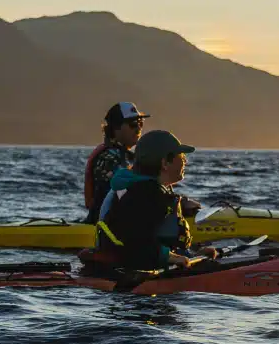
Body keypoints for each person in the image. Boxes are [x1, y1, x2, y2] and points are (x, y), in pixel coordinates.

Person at [91, 129, 219, 270]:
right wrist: (170, 257)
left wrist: (192, 254)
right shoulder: (146, 195)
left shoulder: (145, 189)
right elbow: (135, 241)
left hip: (136, 266)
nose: (185, 161)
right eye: (181, 156)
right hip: (130, 275)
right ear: (165, 163)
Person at [83, 102, 147, 220]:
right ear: (116, 127)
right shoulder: (108, 157)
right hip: (106, 224)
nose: (138, 128)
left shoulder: (125, 156)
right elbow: (116, 196)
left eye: (140, 123)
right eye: (133, 124)